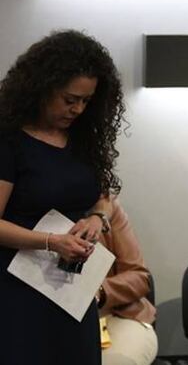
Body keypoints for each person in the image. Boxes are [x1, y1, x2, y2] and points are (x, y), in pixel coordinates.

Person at [0, 30, 125, 365]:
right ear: (41, 87)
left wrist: (98, 217)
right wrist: (50, 241)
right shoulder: (10, 142)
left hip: (71, 288)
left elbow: (102, 196)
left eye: (86, 101)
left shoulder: (82, 139)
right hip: (17, 292)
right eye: (70, 99)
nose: (77, 109)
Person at [98, 200, 158, 365]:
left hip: (116, 316)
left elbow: (139, 277)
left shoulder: (107, 208)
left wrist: (100, 292)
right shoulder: (25, 221)